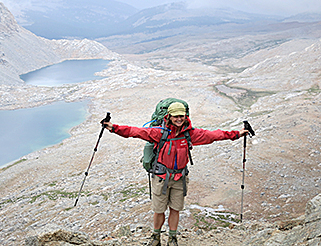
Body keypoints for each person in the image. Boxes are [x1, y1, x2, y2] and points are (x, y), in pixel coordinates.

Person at [103, 102, 248, 246]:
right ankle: (156, 237)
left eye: (182, 116)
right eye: (176, 116)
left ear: (186, 116)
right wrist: (113, 128)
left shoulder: (190, 134)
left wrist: (236, 134)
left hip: (180, 178)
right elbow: (135, 132)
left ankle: (172, 239)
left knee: (175, 209)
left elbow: (213, 135)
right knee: (159, 210)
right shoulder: (160, 133)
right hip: (161, 178)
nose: (179, 119)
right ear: (169, 116)